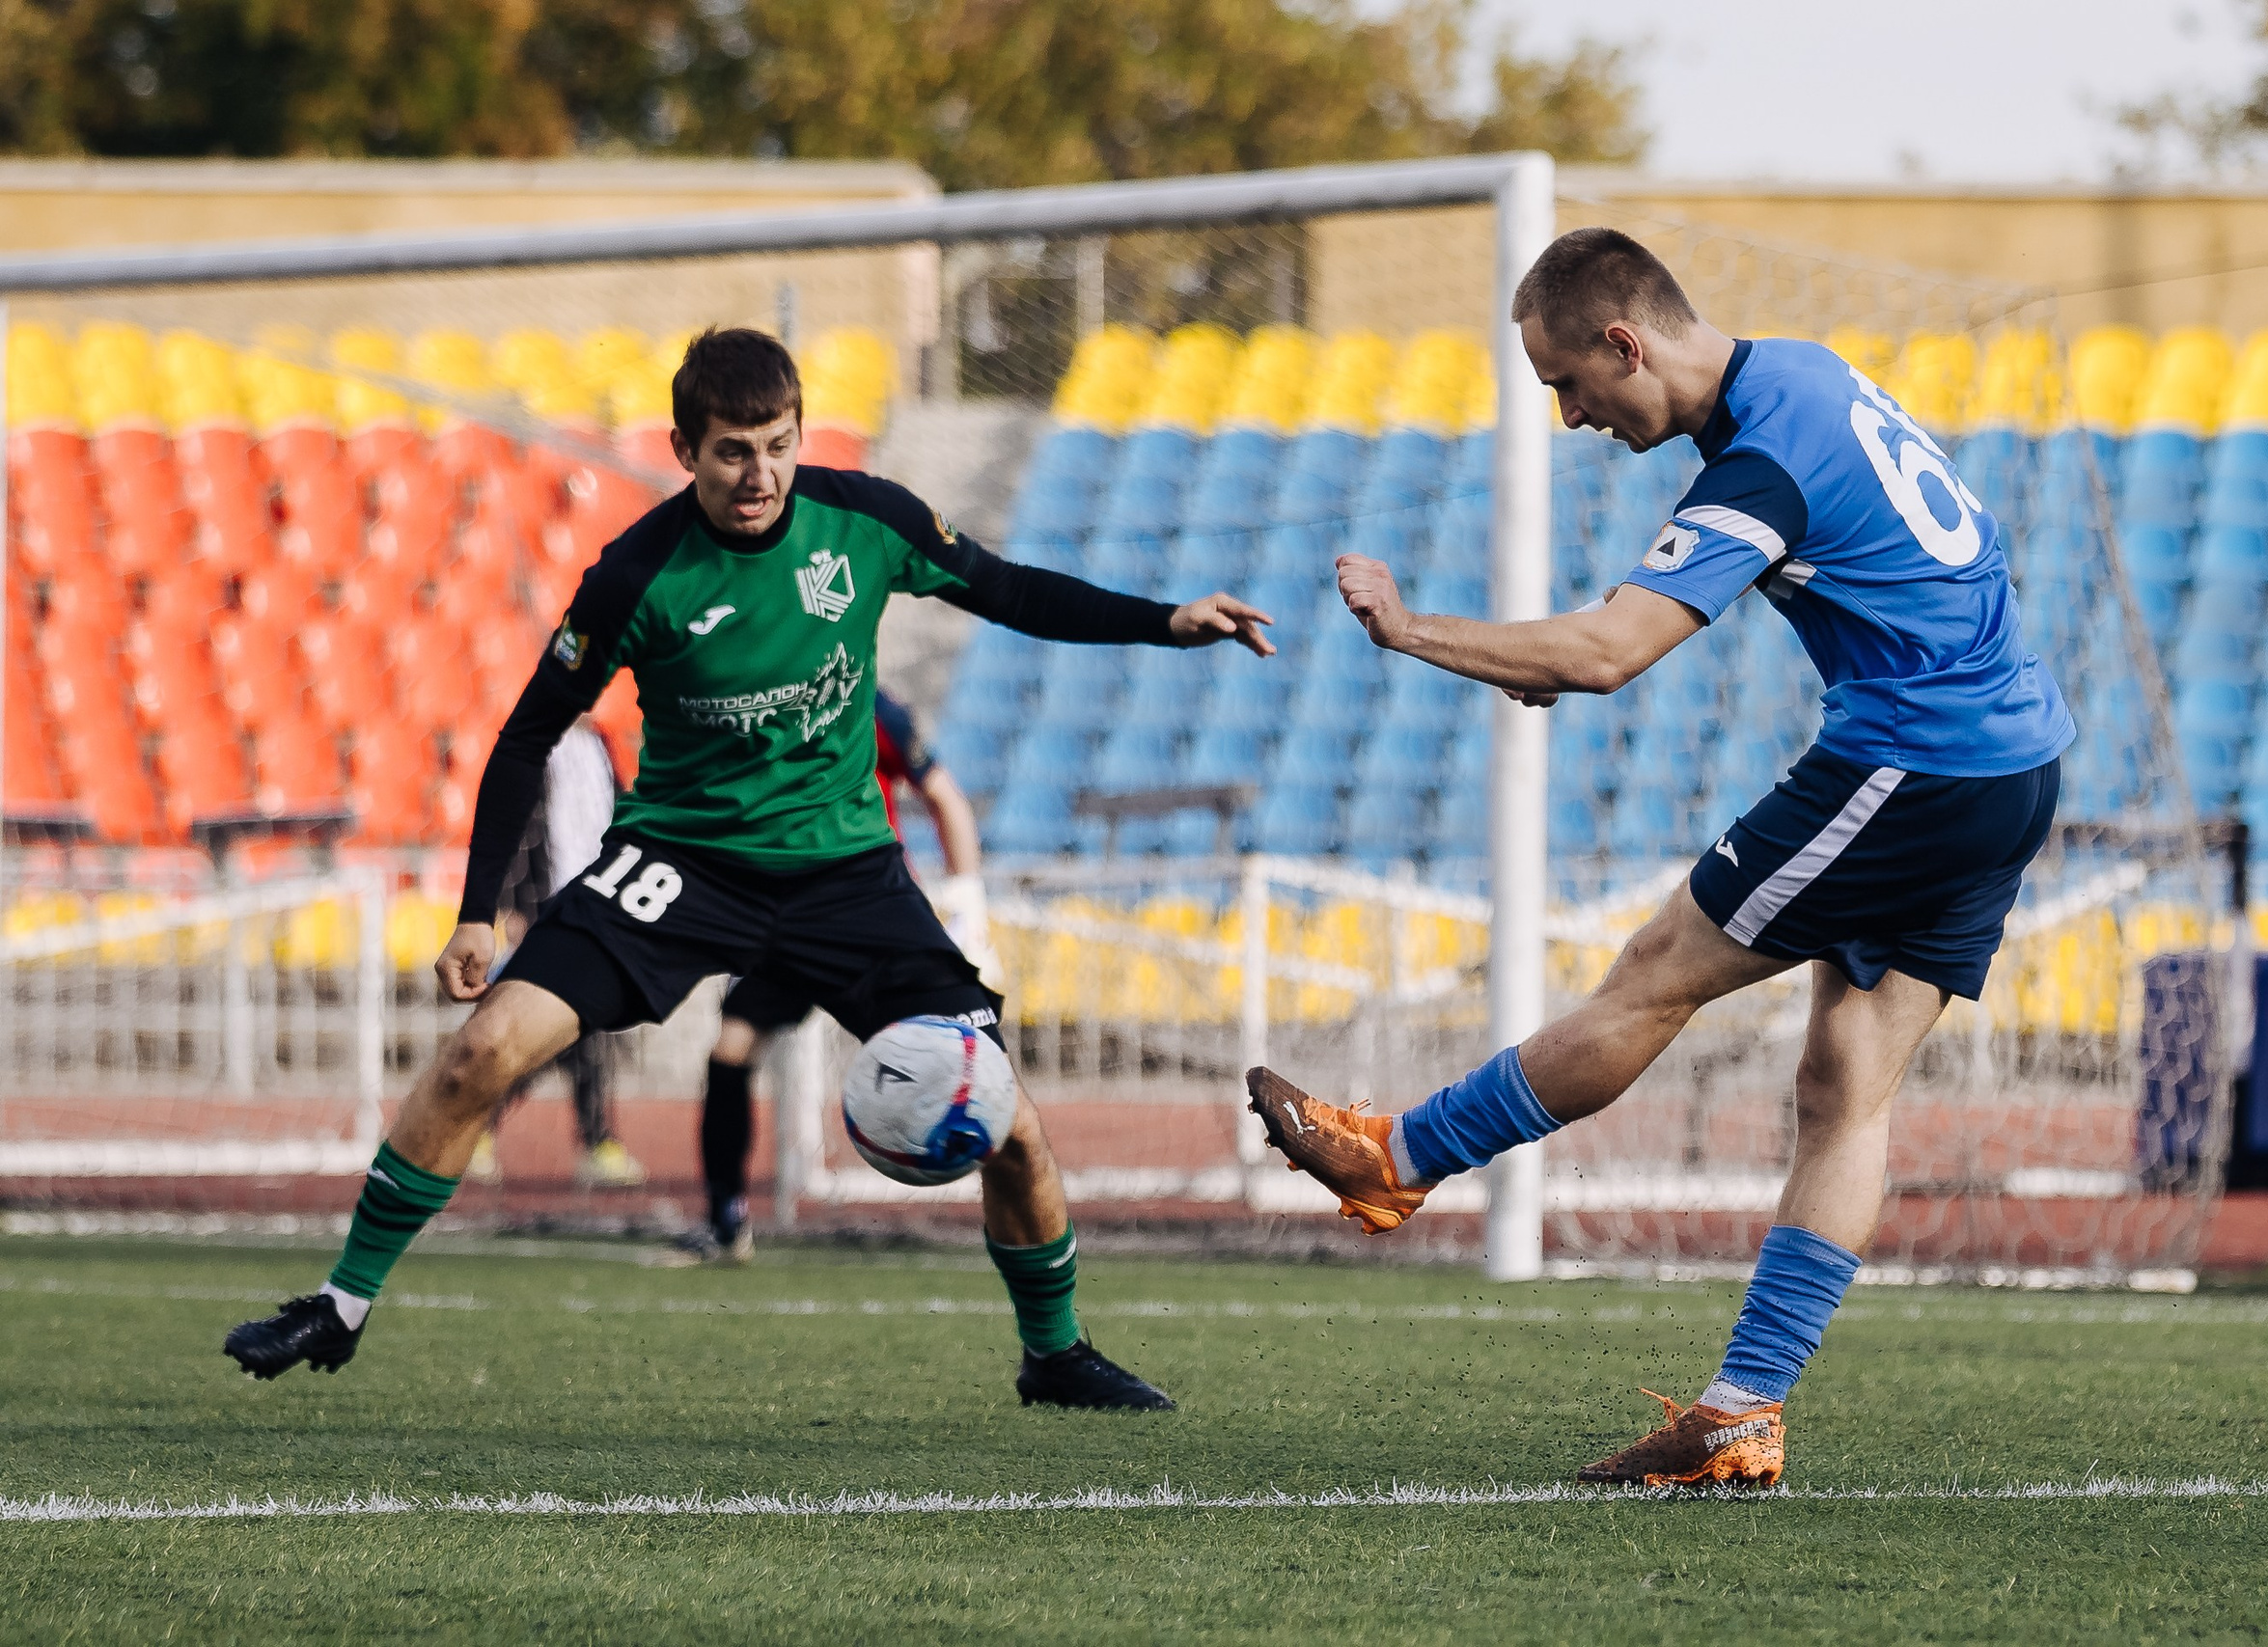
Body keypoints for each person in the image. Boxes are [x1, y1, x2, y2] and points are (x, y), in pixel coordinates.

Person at [225, 326, 1275, 1412]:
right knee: (480, 1051)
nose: (759, 474)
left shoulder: (866, 521)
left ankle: (1053, 1355)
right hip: (678, 866)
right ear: (684, 449)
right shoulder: (637, 573)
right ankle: (338, 1307)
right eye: (732, 451)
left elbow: (1006, 590)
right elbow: (528, 734)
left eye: (777, 445)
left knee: (1004, 1118)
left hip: (847, 876)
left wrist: (1166, 621)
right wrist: (478, 913)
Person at [1248, 227, 2074, 1486]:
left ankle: (1395, 1157)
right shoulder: (1806, 372)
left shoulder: (1761, 461)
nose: (1573, 415)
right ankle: (1740, 1415)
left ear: (1626, 342)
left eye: (1570, 382)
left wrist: (1415, 632)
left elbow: (1603, 653)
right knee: (1845, 1082)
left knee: (1651, 973)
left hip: (1917, 761)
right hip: (2011, 761)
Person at [666, 688, 989, 1264]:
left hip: (870, 918)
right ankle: (726, 1220)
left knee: (951, 1060)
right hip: (790, 917)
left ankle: (1010, 1215)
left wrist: (968, 911)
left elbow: (945, 798)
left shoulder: (870, 705)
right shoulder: (753, 704)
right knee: (730, 1047)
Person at [467, 720, 648, 1190]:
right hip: (547, 909)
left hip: (598, 908)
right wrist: (512, 904)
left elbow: (619, 817)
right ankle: (588, 1140)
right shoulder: (536, 745)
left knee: (575, 1029)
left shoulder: (601, 745)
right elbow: (513, 823)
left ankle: (587, 1140)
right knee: (550, 1032)